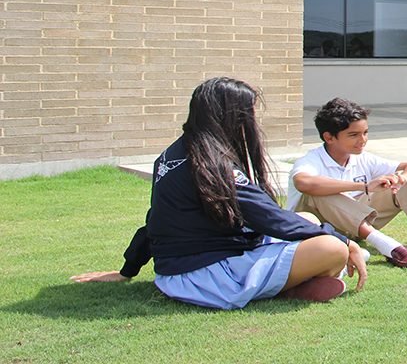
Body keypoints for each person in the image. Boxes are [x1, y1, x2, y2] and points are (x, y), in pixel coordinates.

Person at [72, 77, 367, 309]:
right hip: (204, 277)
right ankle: (286, 289)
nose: (251, 121)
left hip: (178, 272)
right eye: (247, 113)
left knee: (308, 220)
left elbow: (156, 219)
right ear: (229, 116)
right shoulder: (213, 164)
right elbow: (269, 218)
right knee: (331, 249)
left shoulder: (175, 154)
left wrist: (128, 269)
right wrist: (342, 240)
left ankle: (291, 285)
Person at [285, 97, 407, 266]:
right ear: (329, 137)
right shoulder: (310, 161)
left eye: (365, 132)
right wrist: (363, 186)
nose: (362, 140)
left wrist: (402, 178)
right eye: (353, 135)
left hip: (355, 225)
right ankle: (389, 246)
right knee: (320, 192)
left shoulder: (363, 158)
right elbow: (304, 183)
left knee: (405, 179)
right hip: (318, 231)